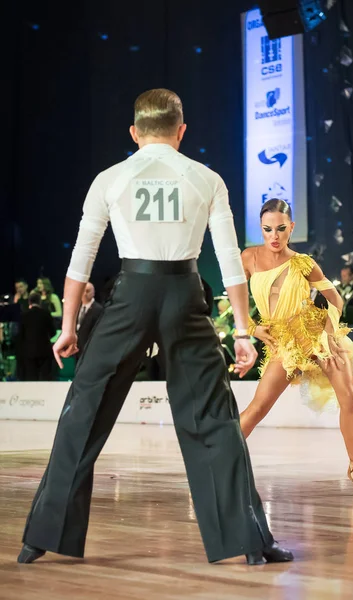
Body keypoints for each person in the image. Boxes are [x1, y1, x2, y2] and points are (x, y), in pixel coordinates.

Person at [18, 89, 292, 566]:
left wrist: (68, 327)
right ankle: (249, 542)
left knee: (84, 408)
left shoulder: (110, 178)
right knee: (213, 417)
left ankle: (40, 538)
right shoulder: (206, 178)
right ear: (182, 131)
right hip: (186, 294)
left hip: (130, 296)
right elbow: (230, 261)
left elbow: (80, 258)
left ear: (134, 133)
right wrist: (244, 331)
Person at [239, 199, 353, 497]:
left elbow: (336, 300)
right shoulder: (248, 258)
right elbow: (236, 299)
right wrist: (252, 328)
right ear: (261, 230)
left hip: (315, 332)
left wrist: (328, 335)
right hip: (283, 342)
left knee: (349, 398)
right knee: (257, 408)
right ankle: (219, 465)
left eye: (280, 229)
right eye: (267, 229)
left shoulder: (303, 262)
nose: (274, 236)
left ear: (291, 227)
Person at [18, 292, 56, 381]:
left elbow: (20, 335)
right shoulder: (46, 314)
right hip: (44, 351)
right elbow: (53, 332)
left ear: (29, 302)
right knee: (45, 377)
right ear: (40, 302)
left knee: (31, 377)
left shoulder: (24, 315)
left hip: (29, 352)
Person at [76, 282, 103, 362]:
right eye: (83, 291)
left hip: (90, 349)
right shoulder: (77, 308)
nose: (84, 293)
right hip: (77, 348)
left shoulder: (98, 309)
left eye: (87, 291)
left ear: (93, 292)